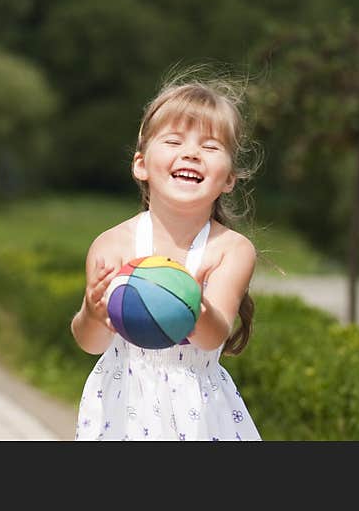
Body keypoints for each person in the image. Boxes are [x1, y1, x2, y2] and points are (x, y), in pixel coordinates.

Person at [72, 71, 262, 441]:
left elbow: (212, 336)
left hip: (200, 411)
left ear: (228, 179)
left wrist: (190, 303)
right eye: (174, 141)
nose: (191, 152)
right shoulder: (114, 244)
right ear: (141, 164)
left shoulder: (230, 250)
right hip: (123, 405)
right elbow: (90, 344)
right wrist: (93, 314)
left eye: (210, 147)